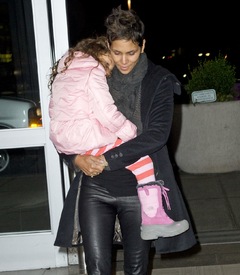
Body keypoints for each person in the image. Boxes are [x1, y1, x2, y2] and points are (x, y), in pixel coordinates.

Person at [53, 6, 197, 275]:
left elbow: (157, 135)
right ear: (108, 45)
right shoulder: (94, 75)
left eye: (130, 52)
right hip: (95, 188)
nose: (123, 61)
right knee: (96, 268)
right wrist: (75, 159)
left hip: (139, 193)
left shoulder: (159, 81)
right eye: (117, 52)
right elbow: (68, 122)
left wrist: (108, 159)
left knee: (136, 268)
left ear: (143, 45)